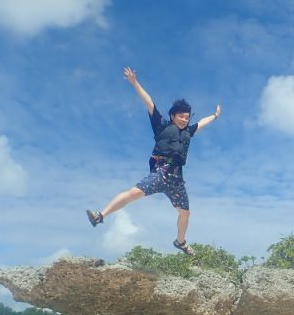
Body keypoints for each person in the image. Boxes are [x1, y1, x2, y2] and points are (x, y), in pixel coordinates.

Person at [86, 66, 221, 255]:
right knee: (133, 193)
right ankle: (100, 215)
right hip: (161, 173)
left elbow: (202, 123)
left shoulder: (188, 132)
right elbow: (149, 102)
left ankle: (180, 242)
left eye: (186, 118)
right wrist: (134, 83)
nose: (184, 120)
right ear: (173, 116)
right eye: (181, 117)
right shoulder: (161, 125)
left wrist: (215, 116)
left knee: (185, 213)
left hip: (176, 179)